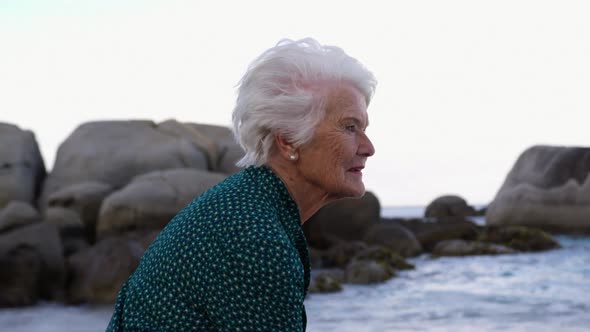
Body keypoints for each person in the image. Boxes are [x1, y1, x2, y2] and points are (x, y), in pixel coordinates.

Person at [105, 37, 376, 331]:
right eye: (350, 127)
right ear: (288, 140)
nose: (368, 147)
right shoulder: (255, 238)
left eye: (363, 128)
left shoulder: (245, 204)